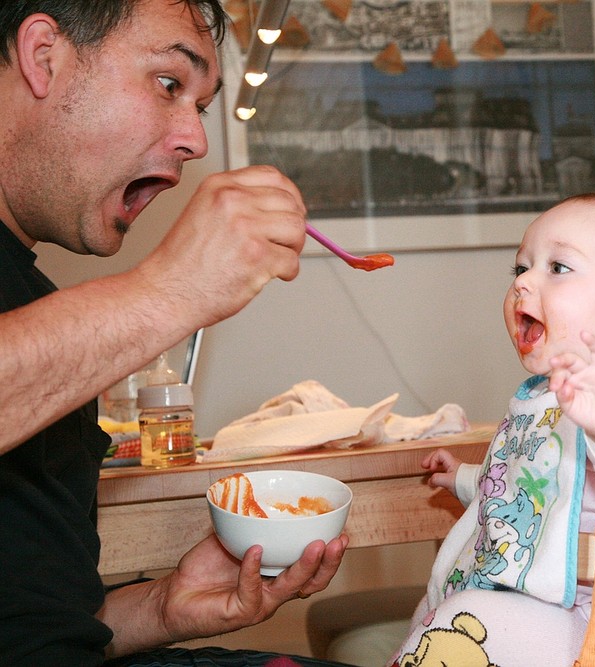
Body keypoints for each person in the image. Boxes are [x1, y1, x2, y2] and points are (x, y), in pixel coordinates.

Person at [0, 2, 350, 665]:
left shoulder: (33, 300)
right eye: (168, 84)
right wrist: (171, 289)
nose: (196, 140)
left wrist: (165, 605)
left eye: (200, 105)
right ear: (43, 55)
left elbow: (35, 620)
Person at [390, 193, 595, 666]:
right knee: (434, 613)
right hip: (537, 604)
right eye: (521, 269)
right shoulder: (547, 396)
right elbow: (528, 479)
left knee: (465, 619)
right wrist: (466, 478)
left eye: (559, 267)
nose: (524, 281)